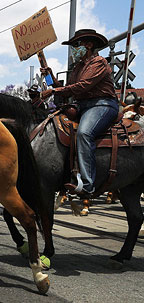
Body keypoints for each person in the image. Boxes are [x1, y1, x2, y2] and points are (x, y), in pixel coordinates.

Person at [39, 29, 118, 198]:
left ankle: (88, 185)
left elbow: (82, 86)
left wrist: (53, 91)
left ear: (89, 45)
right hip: (82, 105)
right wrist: (49, 75)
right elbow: (65, 89)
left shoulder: (99, 63)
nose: (73, 49)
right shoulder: (77, 67)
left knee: (84, 133)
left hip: (102, 104)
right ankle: (66, 175)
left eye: (76, 45)